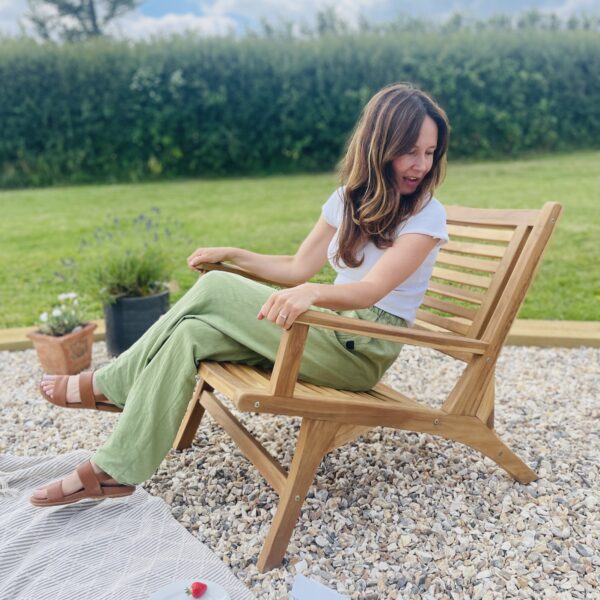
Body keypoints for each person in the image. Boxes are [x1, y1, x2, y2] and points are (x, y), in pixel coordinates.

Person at [31, 82, 450, 506]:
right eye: (410, 151)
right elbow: (296, 268)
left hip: (359, 351)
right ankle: (115, 470)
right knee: (190, 333)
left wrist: (313, 294)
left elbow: (371, 290)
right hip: (325, 332)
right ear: (380, 145)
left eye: (430, 152)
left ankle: (110, 383)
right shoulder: (347, 199)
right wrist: (234, 254)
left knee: (213, 287)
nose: (420, 164)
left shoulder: (427, 216)